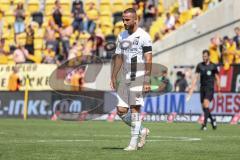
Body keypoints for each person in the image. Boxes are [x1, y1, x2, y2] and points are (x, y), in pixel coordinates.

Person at [110, 8, 152, 151]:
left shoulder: (144, 36)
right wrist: (113, 76)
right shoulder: (121, 36)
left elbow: (148, 58)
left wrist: (146, 80)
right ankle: (142, 131)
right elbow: (119, 57)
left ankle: (133, 144)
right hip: (125, 76)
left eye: (127, 19)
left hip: (138, 76)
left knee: (135, 108)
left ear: (135, 19)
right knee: (121, 110)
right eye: (123, 19)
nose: (124, 22)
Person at [187, 50, 221, 131]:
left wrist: (219, 90)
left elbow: (217, 78)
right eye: (203, 56)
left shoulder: (213, 66)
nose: (204, 57)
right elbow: (195, 78)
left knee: (206, 104)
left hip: (210, 88)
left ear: (209, 56)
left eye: (205, 56)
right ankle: (213, 121)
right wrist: (191, 89)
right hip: (202, 88)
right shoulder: (200, 65)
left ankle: (204, 125)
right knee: (204, 108)